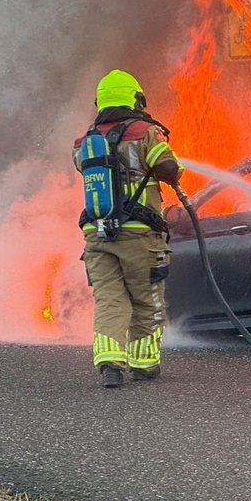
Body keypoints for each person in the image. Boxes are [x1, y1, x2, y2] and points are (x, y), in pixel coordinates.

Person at [74, 69, 182, 388]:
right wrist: (174, 169)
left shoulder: (87, 140)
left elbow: (81, 168)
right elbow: (168, 168)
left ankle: (109, 360)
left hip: (96, 234)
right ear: (135, 98)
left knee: (110, 298)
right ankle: (144, 363)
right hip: (139, 233)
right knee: (146, 297)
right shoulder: (145, 131)